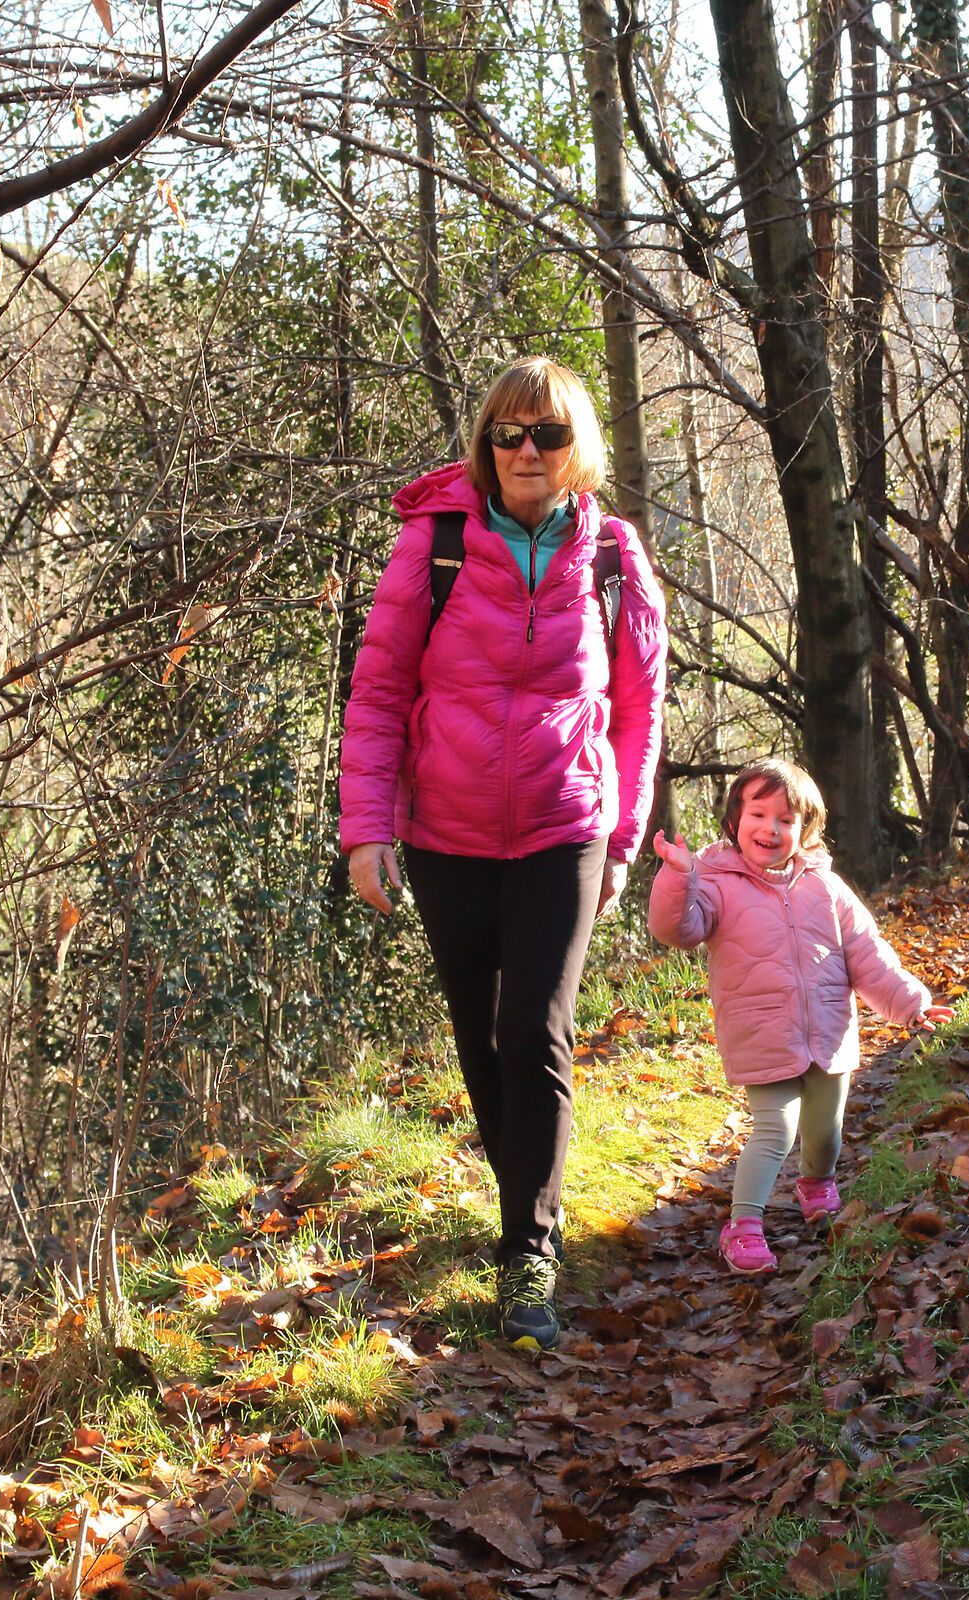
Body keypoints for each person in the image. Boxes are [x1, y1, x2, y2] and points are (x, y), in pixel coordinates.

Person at [340, 357, 666, 1348]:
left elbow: (642, 711)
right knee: (482, 1036)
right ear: (486, 446)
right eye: (511, 434)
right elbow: (380, 694)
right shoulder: (432, 547)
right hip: (447, 833)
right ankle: (522, 1183)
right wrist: (367, 831)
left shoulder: (612, 555)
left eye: (550, 435)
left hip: (563, 826)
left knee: (536, 1027)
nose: (529, 451)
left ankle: (530, 1246)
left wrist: (621, 838)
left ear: (578, 451)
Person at [648, 759, 953, 1273]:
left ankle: (815, 1183)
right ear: (733, 822)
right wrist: (678, 877)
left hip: (830, 1031)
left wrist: (911, 1003)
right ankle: (742, 1226)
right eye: (758, 814)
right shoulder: (715, 882)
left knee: (824, 1131)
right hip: (762, 1031)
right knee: (775, 1128)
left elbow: (869, 955)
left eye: (786, 820)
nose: (770, 828)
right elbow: (678, 929)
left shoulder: (827, 888)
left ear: (804, 830)